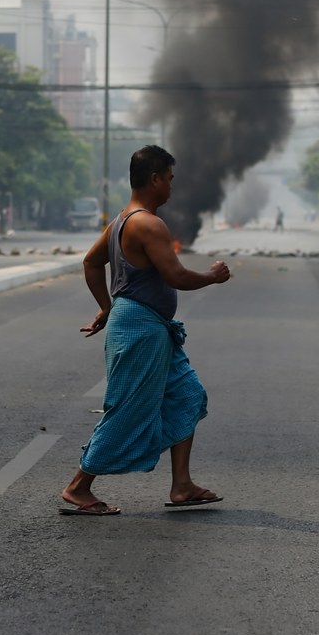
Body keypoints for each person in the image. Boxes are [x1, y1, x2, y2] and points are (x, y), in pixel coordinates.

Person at [60, 145, 232, 515]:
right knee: (127, 409)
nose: (171, 187)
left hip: (148, 326)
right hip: (140, 330)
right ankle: (78, 487)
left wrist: (108, 307)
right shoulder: (148, 224)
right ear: (154, 179)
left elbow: (92, 263)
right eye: (169, 179)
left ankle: (182, 485)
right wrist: (212, 276)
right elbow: (176, 276)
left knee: (186, 395)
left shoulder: (122, 220)